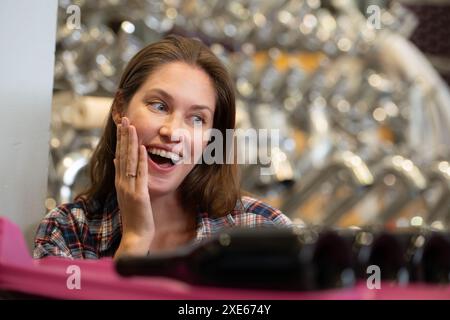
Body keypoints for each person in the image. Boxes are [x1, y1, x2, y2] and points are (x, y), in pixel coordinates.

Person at [34, 35, 292, 259]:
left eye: (197, 119)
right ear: (119, 108)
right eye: (159, 106)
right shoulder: (68, 231)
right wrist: (135, 238)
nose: (172, 132)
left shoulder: (262, 229)